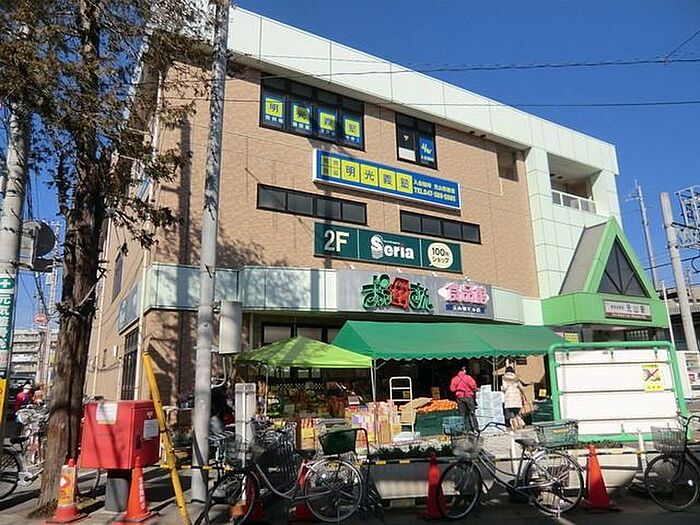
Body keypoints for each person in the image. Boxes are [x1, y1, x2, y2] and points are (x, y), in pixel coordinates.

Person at [450, 366, 478, 432]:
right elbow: (474, 386)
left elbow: (452, 389)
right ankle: (475, 428)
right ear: (464, 370)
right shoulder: (468, 377)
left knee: (462, 414)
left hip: (459, 397)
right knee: (472, 413)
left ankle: (463, 430)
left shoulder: (455, 379)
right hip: (468, 396)